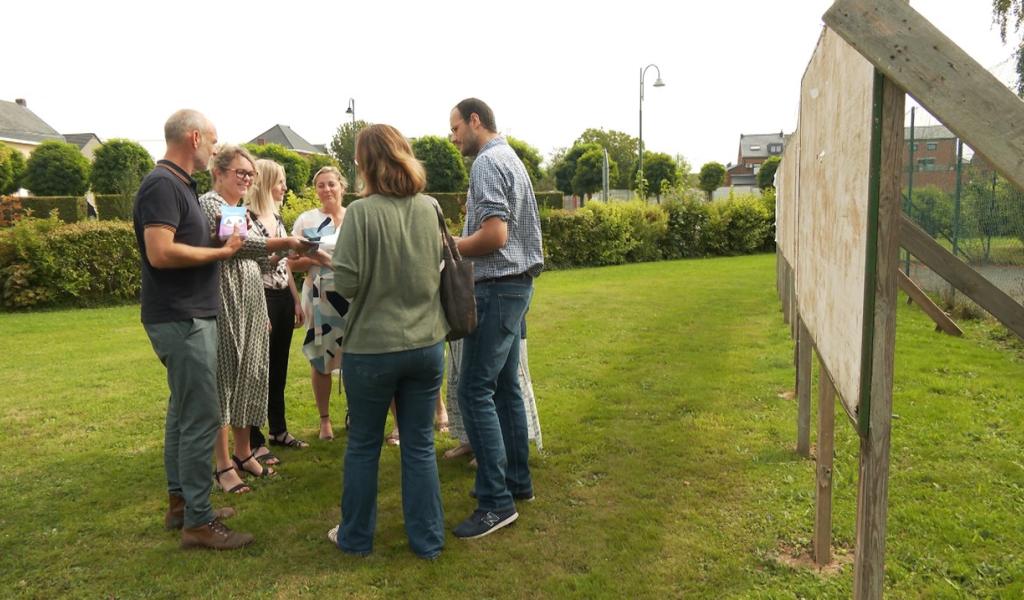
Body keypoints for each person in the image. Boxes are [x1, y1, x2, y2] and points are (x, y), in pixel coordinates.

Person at [132, 109, 252, 550]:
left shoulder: (179, 185)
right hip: (181, 317)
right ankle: (199, 523)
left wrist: (218, 244)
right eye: (214, 140)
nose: (216, 148)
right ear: (195, 137)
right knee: (201, 417)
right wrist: (220, 256)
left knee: (182, 414)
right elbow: (161, 252)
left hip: (184, 314)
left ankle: (182, 504)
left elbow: (180, 245)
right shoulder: (162, 184)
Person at [327, 124, 448, 559]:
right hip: (426, 343)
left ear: (365, 163)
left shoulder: (360, 212)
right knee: (419, 445)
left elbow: (349, 283)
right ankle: (428, 541)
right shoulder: (430, 207)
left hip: (372, 348)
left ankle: (356, 538)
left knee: (363, 444)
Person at [447, 98, 544, 539]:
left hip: (499, 287)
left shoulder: (487, 163)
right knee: (505, 389)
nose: (453, 138)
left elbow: (495, 234)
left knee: (473, 390)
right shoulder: (512, 158)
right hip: (517, 287)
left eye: (455, 128)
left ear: (474, 121)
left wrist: (447, 246)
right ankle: (516, 482)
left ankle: (495, 502)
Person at [198, 145, 310, 493]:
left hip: (251, 300)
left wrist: (284, 253)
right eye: (240, 173)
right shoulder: (214, 204)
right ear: (219, 173)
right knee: (225, 381)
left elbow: (259, 256)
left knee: (251, 376)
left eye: (250, 174)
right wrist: (283, 242)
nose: (247, 179)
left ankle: (245, 453)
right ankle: (223, 466)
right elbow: (241, 245)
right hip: (226, 300)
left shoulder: (239, 209)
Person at [244, 159, 307, 462]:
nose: (284, 187)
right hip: (260, 297)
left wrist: (295, 299)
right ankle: (253, 439)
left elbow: (283, 265)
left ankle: (278, 430)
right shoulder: (243, 217)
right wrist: (282, 250)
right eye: (280, 181)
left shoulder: (277, 217)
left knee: (279, 367)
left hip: (282, 296)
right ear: (266, 183)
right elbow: (248, 265)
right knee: (259, 371)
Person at [289, 167, 349, 441]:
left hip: (352, 297)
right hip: (319, 295)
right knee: (320, 358)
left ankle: (355, 413)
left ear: (342, 186)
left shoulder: (355, 217)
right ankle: (324, 420)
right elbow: (290, 260)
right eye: (321, 185)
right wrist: (316, 259)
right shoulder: (306, 219)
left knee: (355, 357)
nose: (326, 190)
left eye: (331, 184)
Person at [443, 316, 542, 462]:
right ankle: (472, 442)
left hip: (497, 312)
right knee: (465, 375)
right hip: (469, 312)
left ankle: (494, 451)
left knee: (494, 385)